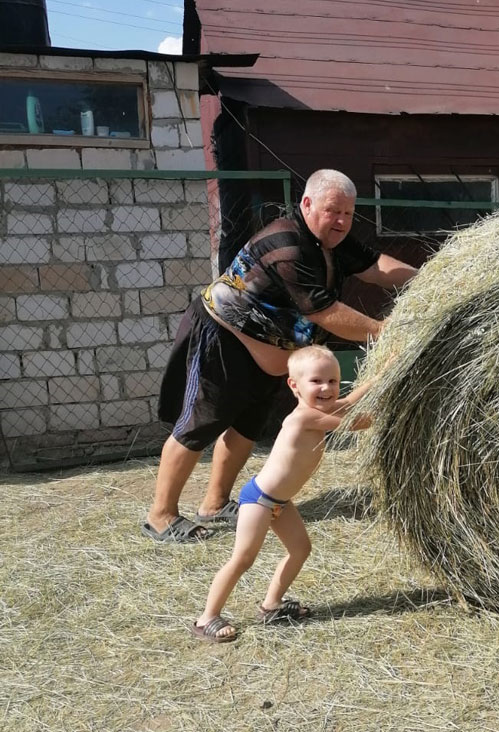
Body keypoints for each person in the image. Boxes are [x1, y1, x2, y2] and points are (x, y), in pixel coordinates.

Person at [142, 169, 417, 542]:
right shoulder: (287, 243)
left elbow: (375, 267)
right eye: (332, 211)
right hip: (225, 335)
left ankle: (215, 502)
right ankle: (161, 516)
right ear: (307, 204)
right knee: (201, 423)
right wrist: (388, 333)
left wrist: (429, 276)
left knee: (247, 425)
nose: (340, 221)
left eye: (348, 214)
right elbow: (322, 311)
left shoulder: (334, 241)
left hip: (272, 347)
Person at [191, 346, 371, 642]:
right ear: (294, 385)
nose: (326, 388)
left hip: (280, 502)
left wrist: (382, 377)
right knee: (242, 559)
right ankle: (206, 618)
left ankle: (272, 605)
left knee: (301, 549)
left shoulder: (319, 410)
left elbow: (349, 402)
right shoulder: (302, 418)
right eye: (316, 381)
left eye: (333, 381)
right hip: (260, 499)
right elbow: (356, 421)